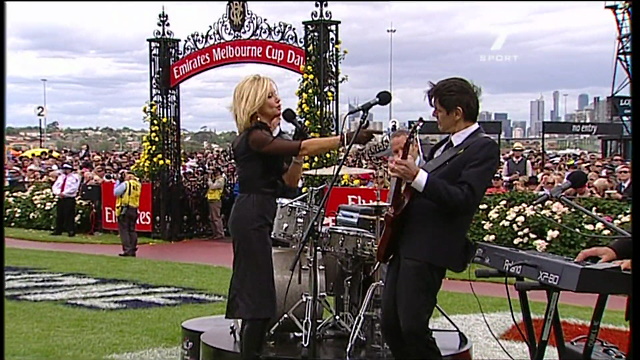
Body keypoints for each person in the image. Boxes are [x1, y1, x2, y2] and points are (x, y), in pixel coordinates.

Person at [224, 74, 379, 360]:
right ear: (256, 103)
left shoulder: (264, 139)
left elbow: (290, 184)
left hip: (259, 212)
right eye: (270, 96)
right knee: (258, 295)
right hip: (251, 215)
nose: (277, 99)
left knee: (259, 294)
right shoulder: (254, 137)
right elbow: (305, 147)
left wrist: (296, 155)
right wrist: (346, 139)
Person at [382, 77, 500, 359]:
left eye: (438, 109)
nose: (435, 115)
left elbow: (463, 198)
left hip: (430, 248)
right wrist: (405, 174)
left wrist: (417, 176)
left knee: (412, 326)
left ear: (457, 112)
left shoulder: (482, 148)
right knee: (390, 325)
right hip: (405, 244)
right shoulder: (441, 147)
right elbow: (421, 188)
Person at [114, 170, 142, 257]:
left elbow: (116, 192)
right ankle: (133, 249)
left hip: (125, 208)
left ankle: (127, 249)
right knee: (132, 229)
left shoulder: (126, 184)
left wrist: (118, 181)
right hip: (134, 208)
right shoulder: (138, 184)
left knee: (124, 230)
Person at [51, 163, 81, 237]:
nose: (65, 170)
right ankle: (58, 230)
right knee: (59, 214)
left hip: (69, 198)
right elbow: (55, 186)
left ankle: (71, 230)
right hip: (61, 197)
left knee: (69, 215)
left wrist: (65, 193)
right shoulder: (61, 177)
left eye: (67, 169)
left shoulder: (75, 177)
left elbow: (74, 188)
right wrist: (58, 193)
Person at [206, 167, 226, 240]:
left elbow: (212, 187)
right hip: (211, 199)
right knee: (211, 217)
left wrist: (209, 179)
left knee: (216, 217)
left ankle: (220, 233)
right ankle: (215, 233)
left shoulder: (220, 180)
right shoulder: (216, 180)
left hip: (216, 199)